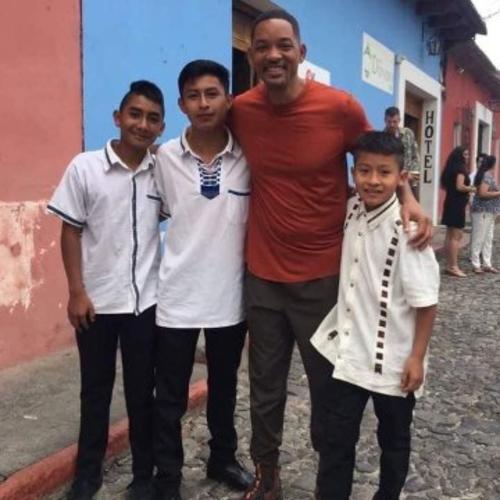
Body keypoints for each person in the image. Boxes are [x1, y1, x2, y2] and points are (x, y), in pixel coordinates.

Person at [229, 9, 432, 499]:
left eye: (284, 45)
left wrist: (408, 198)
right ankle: (267, 475)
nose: (274, 55)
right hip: (263, 275)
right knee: (264, 387)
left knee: (329, 392)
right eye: (262, 46)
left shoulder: (339, 108)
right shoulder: (242, 110)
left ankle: (330, 478)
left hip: (324, 280)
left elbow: (380, 158)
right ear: (251, 55)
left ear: (301, 52)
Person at [47, 81, 165, 500]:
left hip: (144, 304)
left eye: (152, 118)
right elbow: (71, 231)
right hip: (95, 304)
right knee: (95, 392)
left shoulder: (161, 172)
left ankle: (144, 475)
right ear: (118, 117)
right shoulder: (85, 167)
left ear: (161, 126)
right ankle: (87, 475)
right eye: (135, 114)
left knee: (142, 394)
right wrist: (76, 292)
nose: (142, 124)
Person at [311, 131, 439, 500]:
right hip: (349, 354)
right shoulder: (352, 209)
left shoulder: (409, 230)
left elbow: (426, 302)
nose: (373, 180)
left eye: (384, 172)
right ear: (353, 173)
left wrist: (416, 357)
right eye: (364, 170)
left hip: (395, 360)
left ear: (401, 178)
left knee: (394, 440)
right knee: (336, 440)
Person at [152, 60, 253, 500]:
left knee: (224, 388)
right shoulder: (164, 159)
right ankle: (167, 476)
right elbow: (149, 213)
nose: (204, 103)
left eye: (212, 94)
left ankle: (222, 458)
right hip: (177, 295)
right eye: (193, 96)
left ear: (228, 99)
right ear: (181, 105)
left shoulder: (247, 154)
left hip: (230, 296)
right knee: (169, 395)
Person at [440, 146, 476, 277]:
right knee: (456, 236)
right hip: (457, 205)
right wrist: (472, 188)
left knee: (449, 236)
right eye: (465, 154)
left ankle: (449, 265)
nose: (467, 157)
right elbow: (460, 186)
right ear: (459, 156)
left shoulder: (451, 168)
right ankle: (454, 266)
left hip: (450, 203)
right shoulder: (460, 169)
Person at [470, 155, 500, 274]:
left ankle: (487, 263)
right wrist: (498, 193)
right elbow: (483, 193)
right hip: (482, 211)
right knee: (479, 237)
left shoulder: (485, 174)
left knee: (488, 238)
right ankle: (476, 263)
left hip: (489, 211)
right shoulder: (486, 176)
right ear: (493, 164)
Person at [384, 106, 420, 195]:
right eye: (389, 122)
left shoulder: (408, 134)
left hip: (410, 181)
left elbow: (415, 156)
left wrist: (413, 174)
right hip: (391, 182)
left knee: (413, 203)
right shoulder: (382, 139)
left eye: (394, 122)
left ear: (399, 120)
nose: (392, 125)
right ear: (385, 120)